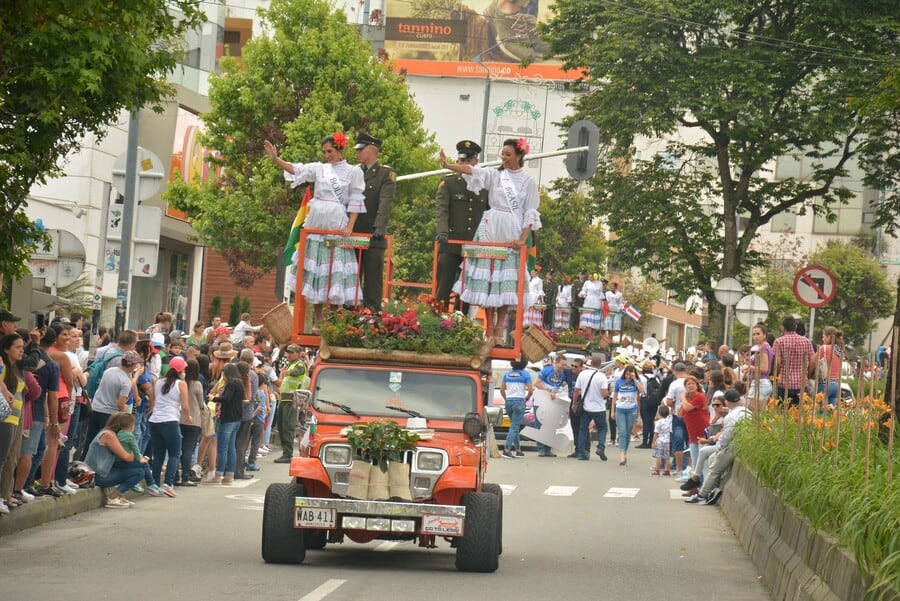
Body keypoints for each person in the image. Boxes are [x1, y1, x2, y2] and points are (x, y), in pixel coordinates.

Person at [439, 138, 541, 344]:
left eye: (508, 154)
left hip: (511, 229)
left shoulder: (528, 183)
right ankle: (487, 326)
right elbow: (473, 171)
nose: (503, 158)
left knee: (504, 282)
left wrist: (522, 239)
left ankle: (498, 327)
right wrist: (448, 165)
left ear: (519, 156)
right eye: (502, 154)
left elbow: (530, 213)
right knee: (488, 278)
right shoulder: (496, 175)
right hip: (490, 226)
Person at [264, 134, 366, 326]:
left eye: (330, 151)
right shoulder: (320, 169)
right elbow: (296, 169)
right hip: (317, 223)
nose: (327, 155)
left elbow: (356, 199)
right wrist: (276, 159)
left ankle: (333, 320)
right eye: (324, 151)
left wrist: (350, 226)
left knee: (334, 271)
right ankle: (320, 322)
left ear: (340, 150)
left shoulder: (353, 172)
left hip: (336, 223)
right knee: (317, 272)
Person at [435, 139, 489, 307]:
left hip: (472, 245)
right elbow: (442, 209)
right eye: (462, 160)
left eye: (469, 160)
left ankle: (461, 324)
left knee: (466, 291)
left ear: (476, 161)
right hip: (450, 242)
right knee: (443, 286)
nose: (465, 164)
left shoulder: (484, 186)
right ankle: (438, 320)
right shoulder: (449, 182)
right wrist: (443, 230)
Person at [353, 132, 396, 312]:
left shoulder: (386, 173)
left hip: (372, 234)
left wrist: (380, 225)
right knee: (351, 279)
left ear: (372, 150)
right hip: (352, 232)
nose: (357, 153)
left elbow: (386, 201)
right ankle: (348, 316)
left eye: (361, 149)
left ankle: (372, 317)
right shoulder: (353, 171)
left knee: (373, 279)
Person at [685, 388, 751, 505]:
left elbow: (727, 436)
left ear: (726, 402)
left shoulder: (731, 417)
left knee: (714, 469)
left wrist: (719, 448)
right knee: (711, 460)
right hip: (742, 445)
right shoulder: (746, 412)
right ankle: (713, 490)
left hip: (732, 446)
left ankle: (702, 495)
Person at [84, 411, 147, 508]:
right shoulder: (109, 435)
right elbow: (125, 457)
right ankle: (113, 497)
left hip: (103, 471)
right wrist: (139, 457)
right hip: (97, 475)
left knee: (140, 468)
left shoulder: (108, 433)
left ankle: (120, 495)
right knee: (139, 472)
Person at [149, 356, 191, 497]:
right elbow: (185, 405)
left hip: (155, 420)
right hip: (170, 420)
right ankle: (168, 483)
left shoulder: (159, 381)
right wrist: (188, 416)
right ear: (181, 370)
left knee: (158, 454)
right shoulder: (181, 384)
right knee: (174, 454)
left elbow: (154, 399)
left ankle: (154, 484)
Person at [0, 334, 26, 513]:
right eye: (18, 347)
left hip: (14, 418)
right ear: (7, 348)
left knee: (8, 459)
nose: (21, 350)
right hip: (5, 417)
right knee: (2, 459)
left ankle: (4, 496)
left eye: (22, 347)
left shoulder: (16, 368)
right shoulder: (3, 367)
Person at [111, 412, 164, 497]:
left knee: (141, 466)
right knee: (144, 464)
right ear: (132, 426)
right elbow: (136, 450)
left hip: (116, 460)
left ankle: (144, 484)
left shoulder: (118, 433)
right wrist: (141, 458)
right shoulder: (130, 436)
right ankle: (151, 484)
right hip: (124, 461)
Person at [274, 344, 309, 463]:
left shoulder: (300, 364)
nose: (289, 354)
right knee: (282, 427)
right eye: (288, 352)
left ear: (299, 354)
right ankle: (285, 452)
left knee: (288, 427)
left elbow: (296, 372)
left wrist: (287, 372)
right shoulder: (289, 364)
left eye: (292, 352)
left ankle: (287, 454)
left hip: (293, 400)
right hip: (284, 399)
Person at [210, 362, 244, 484]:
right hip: (236, 419)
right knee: (231, 448)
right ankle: (230, 474)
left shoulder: (231, 384)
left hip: (228, 418)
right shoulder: (240, 383)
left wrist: (213, 398)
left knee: (223, 448)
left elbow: (227, 399)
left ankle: (218, 474)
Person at [772, 315, 815, 406]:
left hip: (784, 383)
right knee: (799, 414)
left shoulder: (779, 341)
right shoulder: (806, 341)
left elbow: (778, 362)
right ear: (795, 326)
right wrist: (808, 374)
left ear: (782, 327)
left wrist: (775, 376)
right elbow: (813, 360)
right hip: (801, 383)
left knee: (783, 412)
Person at [572, 356, 609, 461]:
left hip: (586, 407)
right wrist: (608, 392)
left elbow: (576, 390)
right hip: (599, 408)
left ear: (591, 363)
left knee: (583, 429)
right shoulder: (602, 376)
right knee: (602, 428)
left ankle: (581, 452)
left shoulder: (583, 374)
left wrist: (574, 404)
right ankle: (600, 447)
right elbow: (604, 393)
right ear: (600, 365)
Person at [532, 354, 568, 457]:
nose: (564, 367)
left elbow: (562, 386)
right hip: (541, 400)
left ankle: (548, 448)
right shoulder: (547, 370)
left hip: (553, 401)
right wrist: (548, 391)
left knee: (552, 424)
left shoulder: (562, 374)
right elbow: (537, 383)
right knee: (540, 423)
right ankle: (541, 449)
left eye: (565, 365)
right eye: (562, 365)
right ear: (556, 363)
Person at [176, 358, 204, 487]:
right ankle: (185, 477)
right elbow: (200, 403)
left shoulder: (180, 383)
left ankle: (176, 476)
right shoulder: (197, 384)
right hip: (194, 420)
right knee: (188, 449)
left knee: (177, 449)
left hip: (179, 418)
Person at [610, 364, 644, 466]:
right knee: (622, 432)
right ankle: (621, 454)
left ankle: (624, 452)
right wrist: (613, 411)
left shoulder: (636, 382)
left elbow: (642, 391)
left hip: (631, 410)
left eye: (631, 374)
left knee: (628, 432)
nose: (628, 376)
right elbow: (614, 397)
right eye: (627, 374)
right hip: (620, 409)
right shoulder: (619, 382)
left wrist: (635, 379)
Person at [499, 357, 533, 458]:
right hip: (519, 401)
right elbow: (530, 390)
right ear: (525, 364)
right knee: (514, 427)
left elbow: (502, 389)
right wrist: (526, 398)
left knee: (514, 426)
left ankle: (518, 450)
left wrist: (506, 399)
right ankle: (507, 449)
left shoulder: (507, 374)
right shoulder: (526, 374)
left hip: (509, 401)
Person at [678, 375, 710, 481]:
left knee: (703, 462)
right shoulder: (688, 399)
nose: (691, 386)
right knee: (696, 461)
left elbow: (687, 407)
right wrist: (684, 400)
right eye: (688, 384)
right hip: (692, 433)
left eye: (693, 383)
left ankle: (703, 485)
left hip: (702, 432)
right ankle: (696, 486)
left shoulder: (700, 396)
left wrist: (683, 398)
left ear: (697, 385)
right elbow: (680, 413)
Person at [816, 326, 845, 406]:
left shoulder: (824, 348)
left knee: (821, 413)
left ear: (828, 336)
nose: (822, 339)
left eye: (823, 336)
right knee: (831, 414)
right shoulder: (840, 350)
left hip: (824, 384)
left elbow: (813, 361)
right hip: (836, 384)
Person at [578, 273, 604, 340]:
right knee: (588, 320)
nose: (590, 278)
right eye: (589, 277)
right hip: (588, 301)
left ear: (594, 277)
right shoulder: (586, 282)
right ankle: (588, 337)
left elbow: (601, 293)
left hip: (596, 301)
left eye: (591, 277)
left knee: (594, 321)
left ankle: (592, 337)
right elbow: (584, 290)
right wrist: (581, 294)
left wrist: (601, 301)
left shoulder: (599, 283)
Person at [650, 404, 673, 476]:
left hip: (660, 441)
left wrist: (653, 442)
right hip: (667, 441)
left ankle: (657, 470)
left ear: (659, 413)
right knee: (667, 457)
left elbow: (656, 433)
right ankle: (667, 470)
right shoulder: (669, 421)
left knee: (658, 456)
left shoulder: (658, 422)